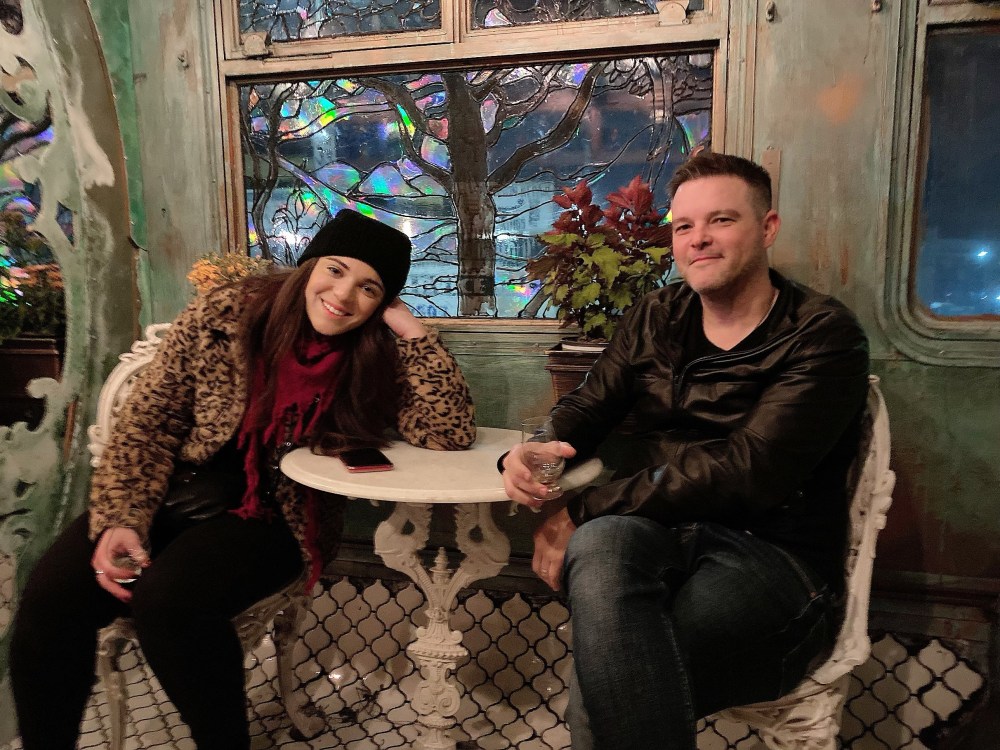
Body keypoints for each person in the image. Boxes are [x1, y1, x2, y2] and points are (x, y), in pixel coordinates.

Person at [10, 208, 476, 750]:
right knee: (50, 597)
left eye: (369, 288)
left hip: (278, 515)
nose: (343, 295)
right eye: (335, 269)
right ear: (309, 266)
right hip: (173, 490)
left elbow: (449, 432)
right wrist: (123, 517)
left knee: (170, 601)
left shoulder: (373, 353)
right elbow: (150, 417)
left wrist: (414, 331)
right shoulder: (226, 314)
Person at [502, 152, 869, 749]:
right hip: (659, 530)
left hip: (772, 556)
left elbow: (746, 472)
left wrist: (581, 508)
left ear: (768, 228)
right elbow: (592, 404)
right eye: (684, 226)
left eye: (721, 220)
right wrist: (538, 448)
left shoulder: (822, 333)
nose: (698, 239)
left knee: (608, 684)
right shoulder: (657, 315)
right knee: (601, 546)